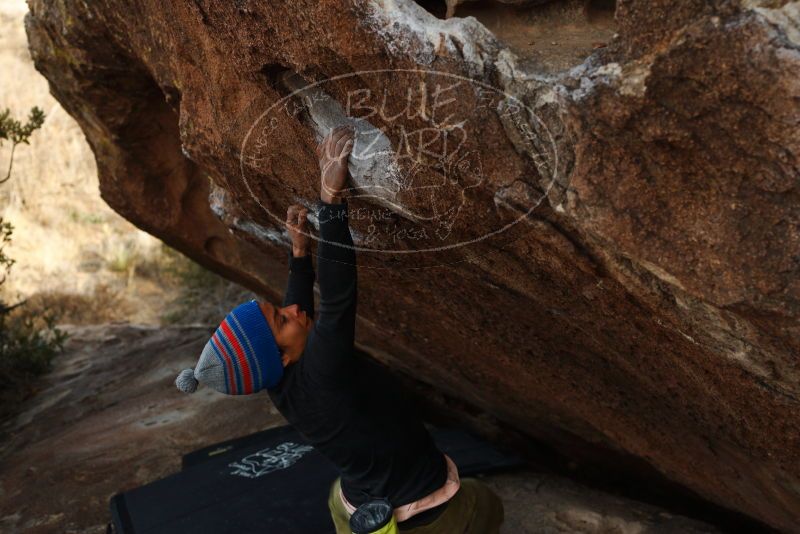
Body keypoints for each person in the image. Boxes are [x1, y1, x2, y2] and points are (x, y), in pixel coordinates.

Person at [175, 125, 504, 533]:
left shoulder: (279, 379)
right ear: (281, 356)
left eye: (279, 308)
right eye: (282, 319)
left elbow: (302, 313)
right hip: (420, 513)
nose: (293, 310)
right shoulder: (321, 375)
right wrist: (329, 202)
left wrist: (299, 255)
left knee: (341, 494)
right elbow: (336, 300)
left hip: (354, 502)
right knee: (488, 508)